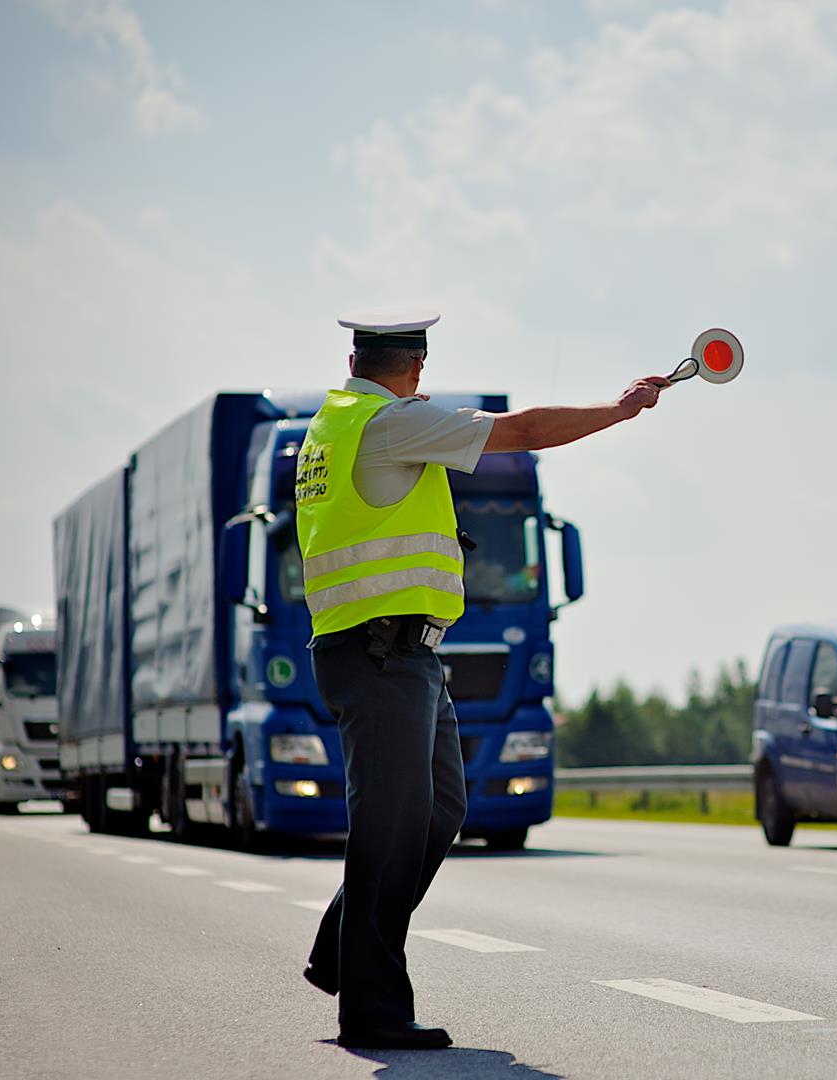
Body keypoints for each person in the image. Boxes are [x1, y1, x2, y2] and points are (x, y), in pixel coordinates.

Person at [297, 307, 670, 1050]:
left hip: (402, 654)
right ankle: (371, 1009)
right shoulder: (388, 423)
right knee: (390, 826)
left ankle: (340, 948)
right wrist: (621, 410)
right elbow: (523, 431)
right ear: (416, 370)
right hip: (379, 654)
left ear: (352, 362)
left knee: (438, 808)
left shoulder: (332, 426)